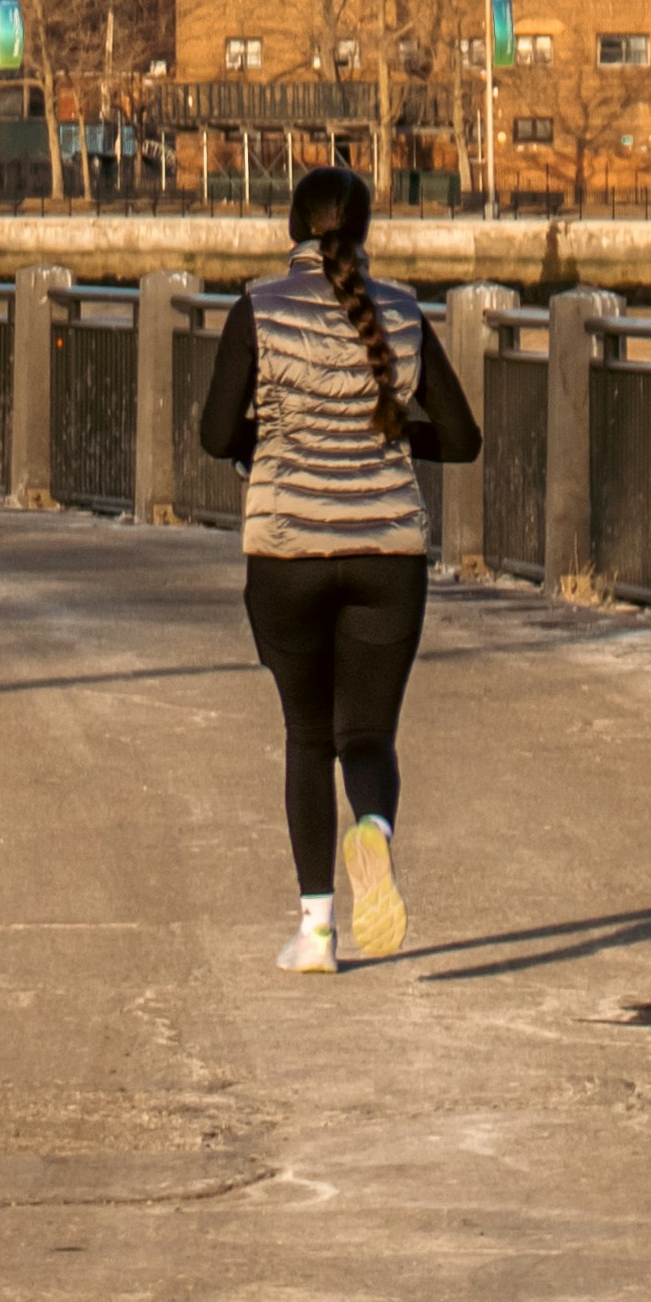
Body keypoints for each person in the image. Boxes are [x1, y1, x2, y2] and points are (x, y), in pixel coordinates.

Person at [195, 163, 482, 973]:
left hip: (287, 552)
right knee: (367, 735)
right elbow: (461, 440)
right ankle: (375, 834)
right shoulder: (398, 311)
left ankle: (316, 932)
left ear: (293, 228)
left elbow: (217, 436)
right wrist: (387, 436)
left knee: (305, 735)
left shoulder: (259, 308)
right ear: (363, 232)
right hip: (388, 556)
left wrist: (277, 442)